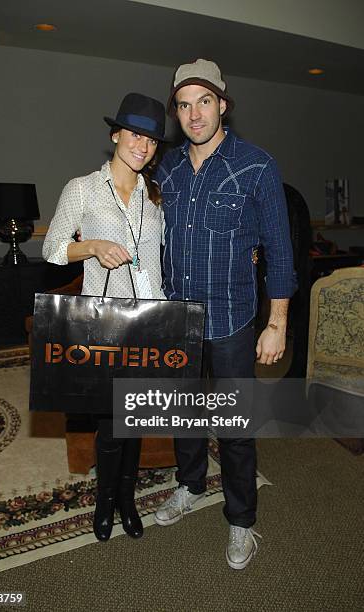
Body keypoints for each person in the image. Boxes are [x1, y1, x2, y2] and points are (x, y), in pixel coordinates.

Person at [154, 59, 297, 569]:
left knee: (235, 427)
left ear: (223, 105)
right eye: (184, 104)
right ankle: (190, 485)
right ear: (176, 112)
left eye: (204, 102)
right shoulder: (166, 167)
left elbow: (279, 249)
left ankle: (241, 520)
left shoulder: (257, 165)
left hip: (234, 321)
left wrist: (275, 322)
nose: (194, 114)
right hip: (179, 320)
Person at [43, 92, 167, 541]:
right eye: (135, 134)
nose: (143, 146)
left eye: (152, 140)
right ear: (115, 134)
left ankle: (128, 500)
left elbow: (158, 260)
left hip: (150, 322)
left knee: (136, 421)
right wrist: (93, 246)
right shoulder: (82, 189)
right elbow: (53, 249)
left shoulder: (155, 196)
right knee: (112, 422)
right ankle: (104, 502)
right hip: (104, 324)